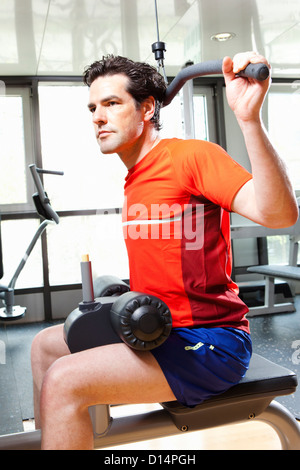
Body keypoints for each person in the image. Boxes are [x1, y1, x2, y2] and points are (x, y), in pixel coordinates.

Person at [31, 52, 298, 450]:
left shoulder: (190, 156)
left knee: (66, 381)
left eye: (112, 103)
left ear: (148, 107)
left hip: (211, 342)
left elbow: (278, 214)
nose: (97, 117)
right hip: (159, 332)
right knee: (44, 347)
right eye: (93, 107)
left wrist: (248, 120)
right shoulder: (135, 178)